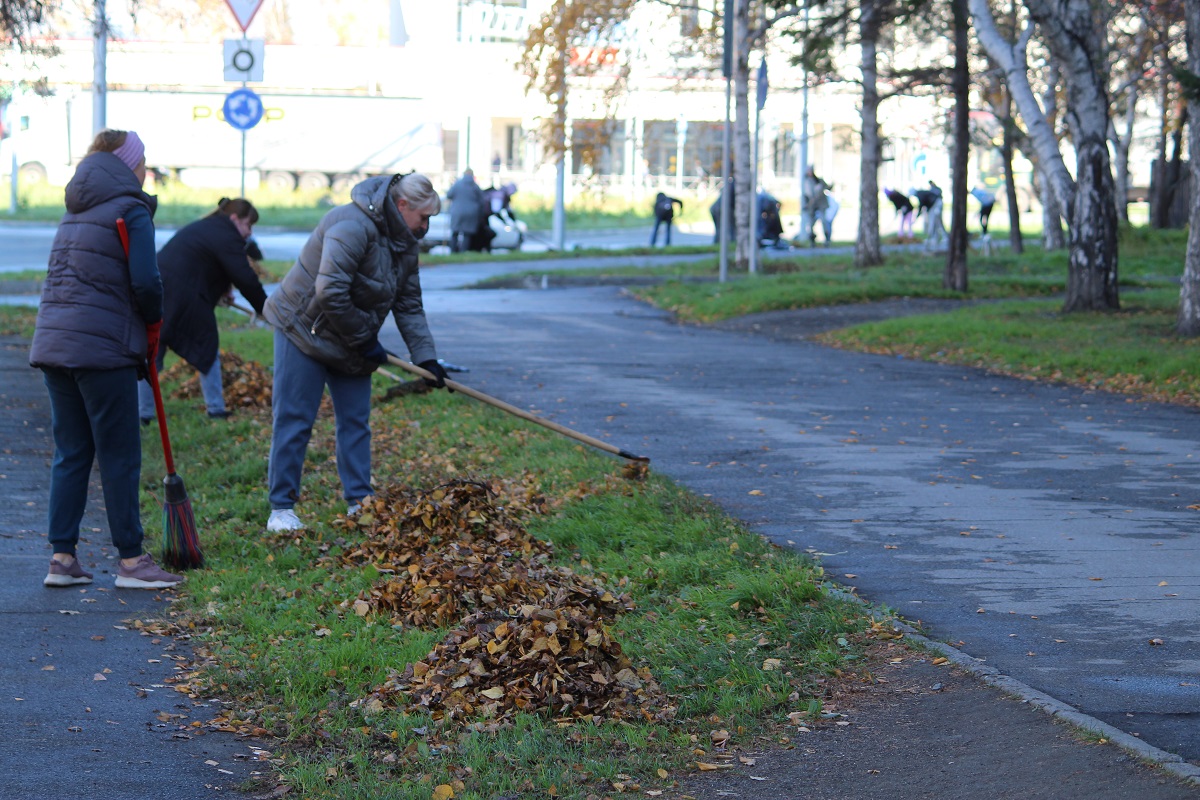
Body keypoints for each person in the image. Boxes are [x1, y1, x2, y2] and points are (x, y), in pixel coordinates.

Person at [29, 128, 183, 590]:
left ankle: (62, 558)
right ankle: (133, 563)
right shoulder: (131, 208)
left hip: (56, 346)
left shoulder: (73, 209)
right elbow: (146, 281)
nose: (144, 169)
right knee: (119, 454)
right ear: (128, 164)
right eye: (142, 161)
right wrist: (154, 326)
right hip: (103, 350)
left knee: (71, 452)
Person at [261, 172, 448, 533]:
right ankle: (281, 510)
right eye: (423, 217)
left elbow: (409, 304)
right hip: (304, 329)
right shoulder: (351, 224)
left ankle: (359, 502)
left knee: (356, 421)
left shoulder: (405, 240)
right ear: (402, 204)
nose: (426, 226)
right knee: (295, 419)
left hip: (352, 333)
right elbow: (330, 290)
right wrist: (364, 339)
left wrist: (427, 359)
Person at [137, 197, 267, 422]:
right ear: (235, 218)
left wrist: (222, 290)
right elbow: (245, 277)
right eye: (248, 225)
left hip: (161, 288)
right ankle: (215, 409)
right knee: (206, 348)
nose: (249, 233)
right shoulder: (226, 234)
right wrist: (265, 308)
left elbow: (209, 263)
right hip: (182, 295)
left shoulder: (210, 227)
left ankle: (143, 414)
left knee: (154, 350)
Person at [446, 168, 484, 253]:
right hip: (471, 212)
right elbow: (482, 200)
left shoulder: (457, 184)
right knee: (467, 233)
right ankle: (463, 251)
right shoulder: (475, 186)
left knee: (455, 232)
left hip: (457, 211)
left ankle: (453, 251)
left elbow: (449, 195)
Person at [801, 166, 830, 246]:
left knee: (823, 221)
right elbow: (806, 195)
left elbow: (827, 187)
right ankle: (812, 240)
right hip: (811, 206)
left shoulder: (819, 181)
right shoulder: (806, 182)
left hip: (821, 204)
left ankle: (827, 239)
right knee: (810, 224)